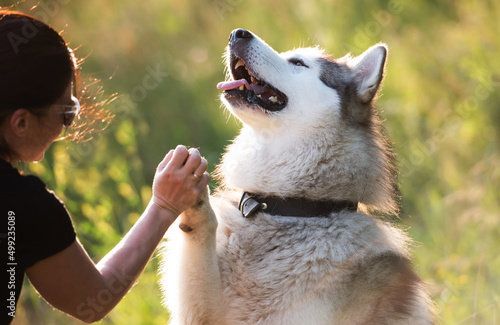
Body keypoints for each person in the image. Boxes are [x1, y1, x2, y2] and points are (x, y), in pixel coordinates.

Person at [0, 9, 210, 324]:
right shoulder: (24, 207)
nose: (67, 129)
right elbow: (91, 299)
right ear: (21, 122)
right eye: (67, 113)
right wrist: (164, 206)